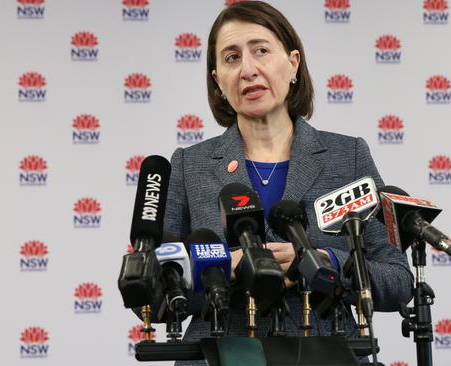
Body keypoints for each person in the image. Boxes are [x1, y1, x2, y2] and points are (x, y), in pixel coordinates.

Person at [162, 2, 413, 364]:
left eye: (261, 50)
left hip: (324, 353)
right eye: (231, 58)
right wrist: (216, 268)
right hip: (220, 354)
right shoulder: (190, 164)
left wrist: (321, 261)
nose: (248, 69)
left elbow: (397, 280)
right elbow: (156, 293)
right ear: (218, 79)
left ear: (292, 63)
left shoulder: (348, 156)